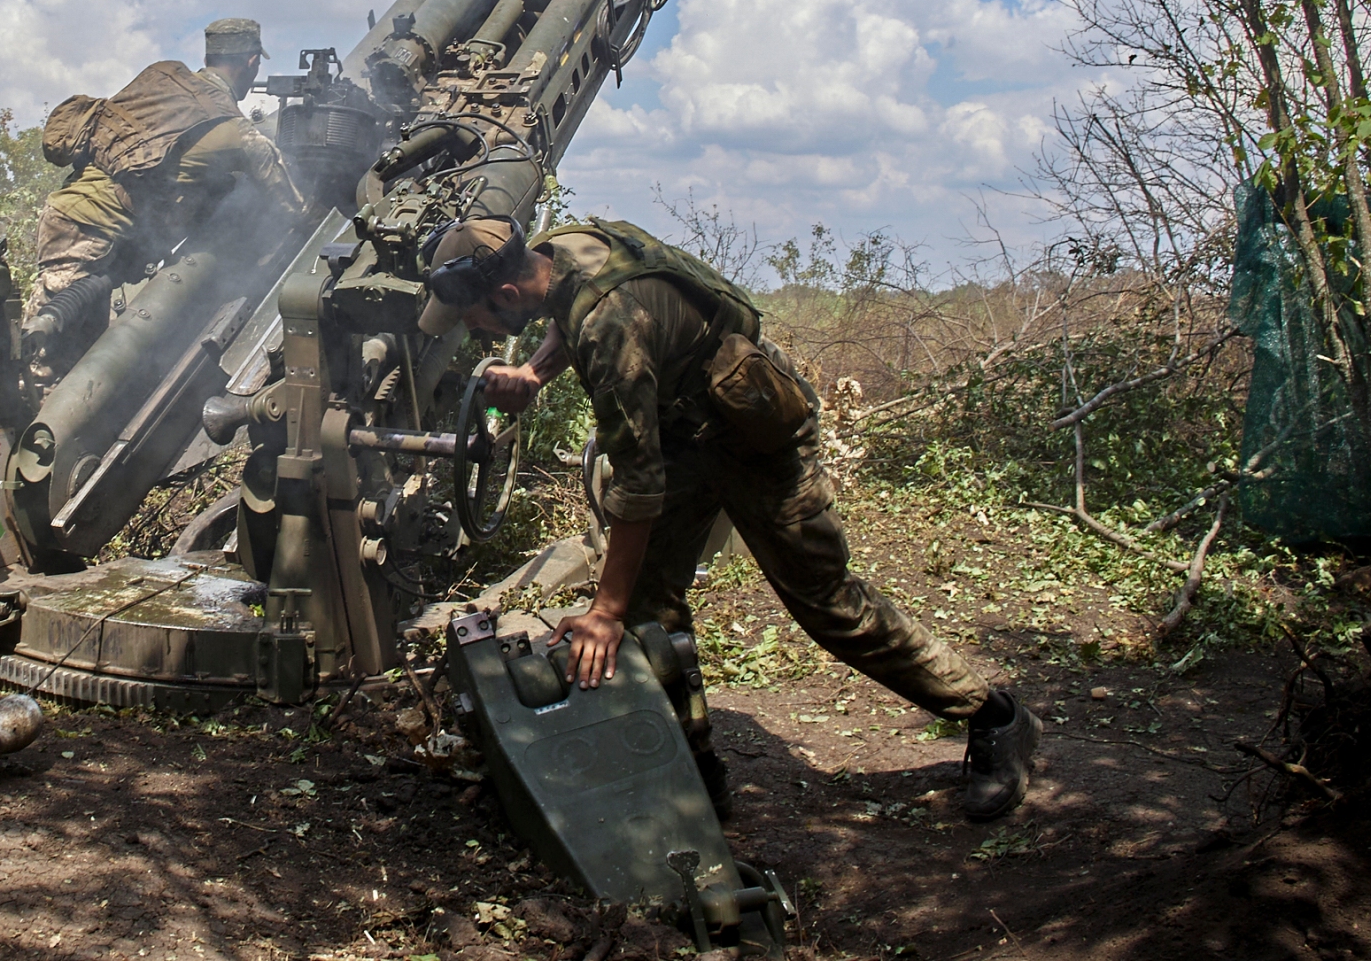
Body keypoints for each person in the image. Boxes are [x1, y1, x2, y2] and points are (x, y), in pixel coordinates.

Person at [417, 213, 1042, 822]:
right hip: (685, 433)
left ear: (505, 290)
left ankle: (996, 717)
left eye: (474, 317)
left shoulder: (612, 326)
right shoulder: (556, 252)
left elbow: (638, 481)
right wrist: (533, 370)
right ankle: (694, 774)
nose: (472, 331)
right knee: (646, 609)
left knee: (830, 606)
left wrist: (601, 613)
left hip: (755, 433)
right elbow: (566, 317)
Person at [23, 18, 306, 386]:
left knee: (81, 354)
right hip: (89, 230)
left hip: (69, 212)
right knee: (45, 358)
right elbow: (291, 206)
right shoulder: (238, 133)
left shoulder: (162, 75)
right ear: (252, 62)